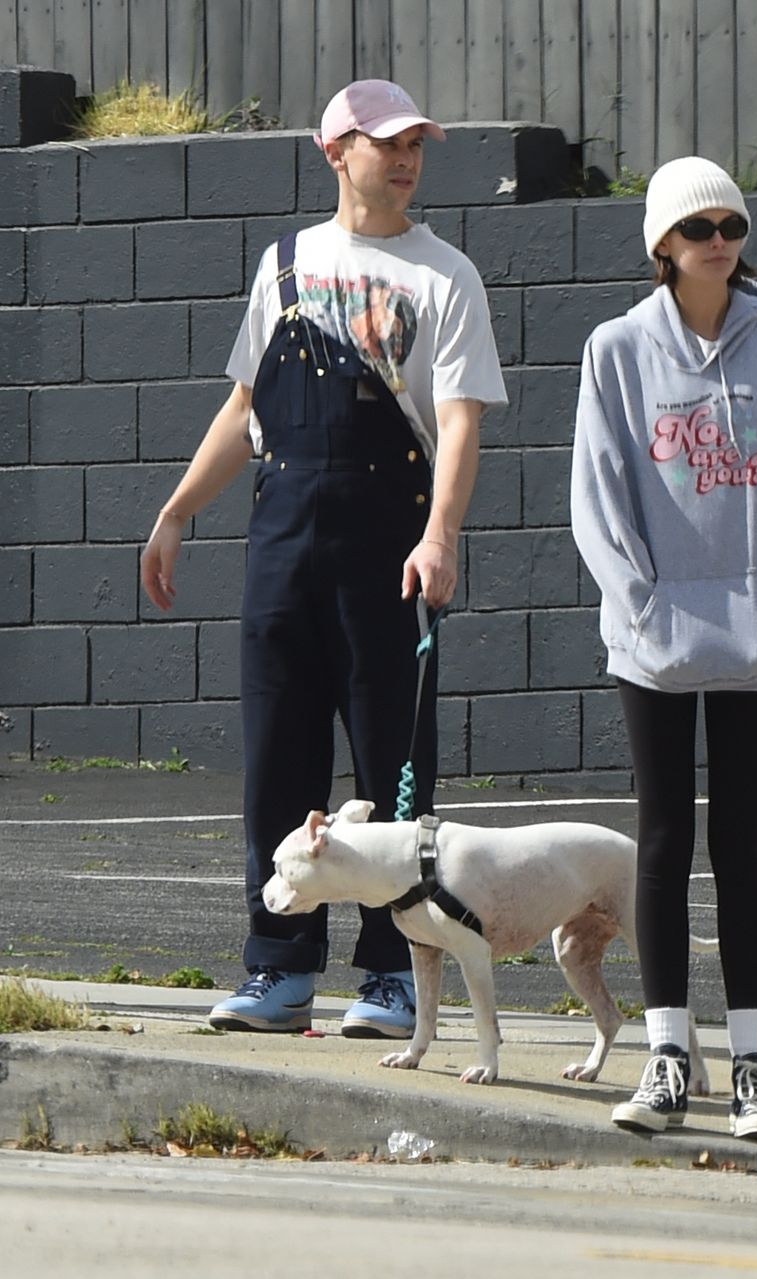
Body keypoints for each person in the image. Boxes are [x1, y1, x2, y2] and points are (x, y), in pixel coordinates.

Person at [139, 79, 506, 1038]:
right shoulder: (285, 265)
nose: (408, 159)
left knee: (394, 768)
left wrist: (442, 536)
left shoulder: (447, 277)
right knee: (278, 757)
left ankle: (392, 975)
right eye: (388, 144)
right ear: (334, 150)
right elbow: (242, 409)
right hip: (282, 544)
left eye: (417, 144)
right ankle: (279, 969)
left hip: (392, 548)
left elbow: (460, 426)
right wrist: (178, 510)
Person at [571, 156, 757, 1145]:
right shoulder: (616, 351)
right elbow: (596, 492)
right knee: (664, 841)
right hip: (654, 641)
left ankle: (756, 1064)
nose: (719, 239)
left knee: (741, 847)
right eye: (698, 227)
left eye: (730, 223)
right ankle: (669, 1051)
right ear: (662, 247)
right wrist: (641, 605)